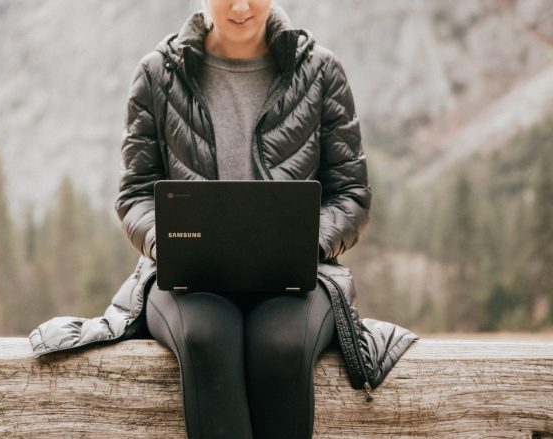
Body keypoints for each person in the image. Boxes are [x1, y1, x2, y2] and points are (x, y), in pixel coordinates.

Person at [30, 2, 417, 438]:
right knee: (204, 337)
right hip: (187, 281)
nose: (239, 6)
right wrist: (173, 245)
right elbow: (136, 194)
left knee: (283, 344)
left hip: (297, 278)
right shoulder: (158, 73)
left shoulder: (321, 71)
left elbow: (351, 195)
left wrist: (302, 243)